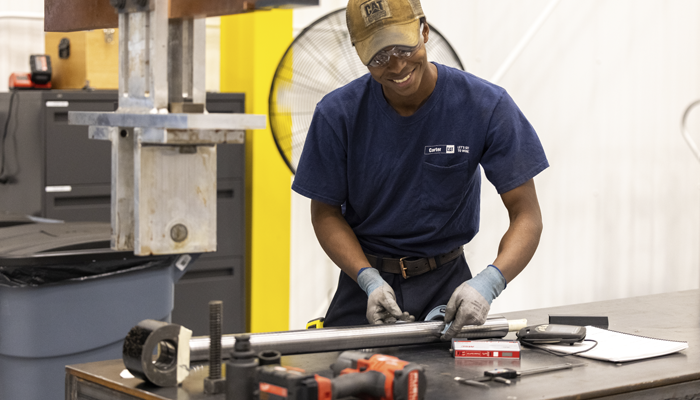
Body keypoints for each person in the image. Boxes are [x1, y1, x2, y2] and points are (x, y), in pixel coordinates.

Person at [291, 0, 548, 340]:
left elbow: (526, 215)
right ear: (359, 54)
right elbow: (325, 213)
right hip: (364, 287)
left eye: (403, 47)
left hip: (448, 289)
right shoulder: (337, 115)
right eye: (379, 56)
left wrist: (489, 283)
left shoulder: (485, 106)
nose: (396, 66)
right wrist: (367, 279)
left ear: (424, 30)